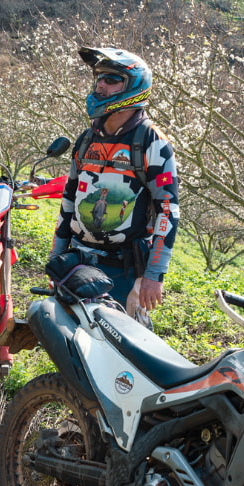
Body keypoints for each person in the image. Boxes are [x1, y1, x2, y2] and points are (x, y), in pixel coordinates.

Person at [51, 46, 179, 324]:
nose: (101, 84)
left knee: (125, 351)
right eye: (99, 78)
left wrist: (153, 276)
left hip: (124, 270)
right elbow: (69, 201)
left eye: (111, 79)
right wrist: (56, 255)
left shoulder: (152, 142)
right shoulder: (86, 139)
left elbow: (167, 211)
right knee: (71, 345)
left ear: (134, 87)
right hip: (78, 262)